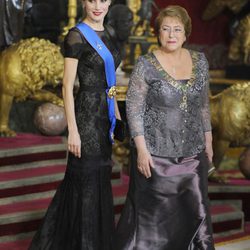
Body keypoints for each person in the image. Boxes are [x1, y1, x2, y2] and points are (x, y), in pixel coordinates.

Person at [115, 5, 215, 250]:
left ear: (186, 33)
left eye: (177, 29)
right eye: (166, 29)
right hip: (155, 158)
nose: (171, 34)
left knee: (198, 215)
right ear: (158, 33)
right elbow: (134, 109)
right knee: (151, 225)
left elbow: (203, 105)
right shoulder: (145, 64)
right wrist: (141, 150)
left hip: (193, 155)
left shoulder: (200, 62)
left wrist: (208, 143)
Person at [29, 0, 121, 249]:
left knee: (100, 179)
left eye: (103, 0)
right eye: (92, 0)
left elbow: (110, 82)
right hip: (86, 119)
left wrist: (116, 117)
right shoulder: (76, 36)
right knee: (85, 182)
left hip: (105, 119)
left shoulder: (111, 32)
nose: (97, 6)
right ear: (83, 2)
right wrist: (73, 131)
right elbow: (67, 87)